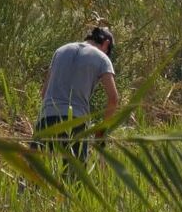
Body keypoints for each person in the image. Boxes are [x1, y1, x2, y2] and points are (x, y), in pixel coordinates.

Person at [35, 21, 119, 161]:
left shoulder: (60, 51)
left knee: (36, 176)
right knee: (72, 178)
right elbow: (113, 98)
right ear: (106, 43)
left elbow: (44, 93)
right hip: (76, 123)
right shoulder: (102, 58)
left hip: (46, 119)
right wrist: (101, 133)